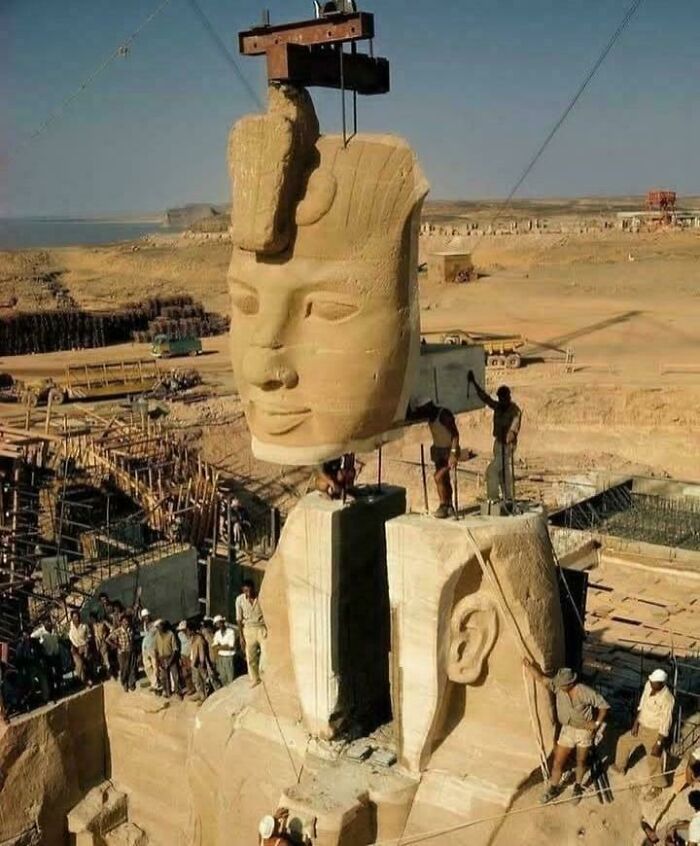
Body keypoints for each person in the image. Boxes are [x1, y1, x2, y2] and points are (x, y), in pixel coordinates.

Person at [523, 660, 610, 804]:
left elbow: (603, 706)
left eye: (563, 685)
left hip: (584, 731)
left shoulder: (585, 692)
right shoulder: (558, 687)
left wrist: (596, 724)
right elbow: (541, 678)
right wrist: (529, 666)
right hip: (567, 730)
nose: (559, 686)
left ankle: (577, 786)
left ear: (571, 684)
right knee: (558, 762)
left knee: (581, 761)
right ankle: (553, 788)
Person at [614, 668, 676, 798]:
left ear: (662, 683)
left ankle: (657, 786)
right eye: (651, 680)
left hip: (654, 731)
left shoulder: (668, 699)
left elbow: (666, 722)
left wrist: (658, 743)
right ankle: (620, 767)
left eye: (654, 682)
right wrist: (636, 723)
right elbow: (642, 705)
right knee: (623, 741)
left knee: (654, 759)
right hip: (642, 725)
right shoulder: (649, 685)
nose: (651, 682)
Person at [467, 372, 522, 503]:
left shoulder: (514, 411)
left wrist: (509, 434)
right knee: (503, 473)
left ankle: (493, 498)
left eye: (503, 399)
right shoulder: (498, 406)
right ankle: (508, 497)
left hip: (507, 446)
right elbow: (485, 398)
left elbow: (513, 430)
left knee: (492, 471)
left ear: (508, 397)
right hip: (498, 443)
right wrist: (474, 383)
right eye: (500, 399)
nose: (501, 401)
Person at [407, 397, 461, 519]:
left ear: (428, 406)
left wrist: (453, 453)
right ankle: (449, 505)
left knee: (438, 477)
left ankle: (443, 505)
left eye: (422, 410)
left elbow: (455, 434)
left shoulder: (443, 415)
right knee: (445, 480)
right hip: (439, 451)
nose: (422, 413)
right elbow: (413, 417)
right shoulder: (430, 415)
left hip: (449, 450)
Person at [236, 580, 267, 688]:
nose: (247, 594)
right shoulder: (239, 600)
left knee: (266, 652)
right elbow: (239, 619)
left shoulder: (261, 597)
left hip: (261, 627)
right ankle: (254, 678)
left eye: (249, 591)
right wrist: (241, 636)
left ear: (253, 589)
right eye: (245, 591)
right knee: (250, 655)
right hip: (248, 628)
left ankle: (263, 673)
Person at [33, 621, 63, 699]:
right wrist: (40, 643)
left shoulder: (54, 630)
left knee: (59, 673)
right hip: (48, 656)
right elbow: (32, 636)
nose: (48, 624)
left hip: (56, 654)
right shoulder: (41, 632)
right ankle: (53, 693)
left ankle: (59, 690)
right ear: (44, 624)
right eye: (46, 623)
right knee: (50, 676)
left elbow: (58, 638)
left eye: (49, 622)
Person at [108, 614, 136, 692]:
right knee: (124, 668)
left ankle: (131, 683)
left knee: (131, 667)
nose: (126, 623)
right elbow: (108, 639)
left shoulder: (131, 630)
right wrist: (116, 645)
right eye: (124, 622)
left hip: (130, 651)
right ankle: (124, 683)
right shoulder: (118, 631)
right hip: (122, 652)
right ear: (121, 623)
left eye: (127, 621)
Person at [154, 619, 180, 699]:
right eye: (158, 627)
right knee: (164, 677)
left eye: (161, 626)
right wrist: (158, 660)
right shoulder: (157, 636)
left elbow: (175, 649)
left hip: (171, 656)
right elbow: (156, 649)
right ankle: (167, 692)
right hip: (162, 658)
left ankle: (178, 692)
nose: (159, 628)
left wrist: (170, 661)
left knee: (175, 676)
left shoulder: (170, 634)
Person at [186, 622, 210, 704]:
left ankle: (204, 697)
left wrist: (202, 662)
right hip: (194, 662)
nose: (187, 632)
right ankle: (200, 694)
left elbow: (201, 651)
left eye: (188, 630)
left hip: (199, 663)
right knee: (196, 680)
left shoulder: (199, 639)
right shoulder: (193, 638)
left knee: (202, 680)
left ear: (191, 630)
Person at [68, 609, 93, 687]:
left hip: (84, 646)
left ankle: (85, 679)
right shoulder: (70, 626)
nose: (76, 618)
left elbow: (89, 636)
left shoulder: (84, 626)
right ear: (72, 618)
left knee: (86, 661)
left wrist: (86, 644)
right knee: (79, 663)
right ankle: (81, 680)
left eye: (77, 616)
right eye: (74, 617)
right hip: (75, 648)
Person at [212, 615, 237, 687]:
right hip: (220, 658)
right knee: (223, 678)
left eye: (220, 623)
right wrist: (222, 647)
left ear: (223, 622)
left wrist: (219, 647)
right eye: (217, 624)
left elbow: (230, 646)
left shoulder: (230, 632)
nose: (219, 625)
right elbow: (214, 646)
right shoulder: (217, 634)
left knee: (230, 678)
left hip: (229, 657)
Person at [140, 609, 160, 692]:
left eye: (147, 616)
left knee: (155, 666)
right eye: (144, 617)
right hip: (145, 648)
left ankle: (156, 684)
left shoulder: (155, 625)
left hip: (153, 648)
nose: (146, 618)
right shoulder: (143, 625)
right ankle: (153, 682)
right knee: (147, 666)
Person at [90, 612, 112, 679]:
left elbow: (112, 628)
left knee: (105, 656)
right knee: (96, 659)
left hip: (103, 641)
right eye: (91, 619)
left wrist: (108, 637)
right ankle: (96, 675)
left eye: (93, 618)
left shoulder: (102, 623)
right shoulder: (91, 626)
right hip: (95, 643)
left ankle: (108, 672)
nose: (92, 620)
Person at [177, 620, 195, 695]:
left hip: (191, 654)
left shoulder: (192, 634)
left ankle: (194, 687)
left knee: (193, 672)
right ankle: (189, 687)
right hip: (184, 655)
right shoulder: (180, 635)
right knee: (185, 673)